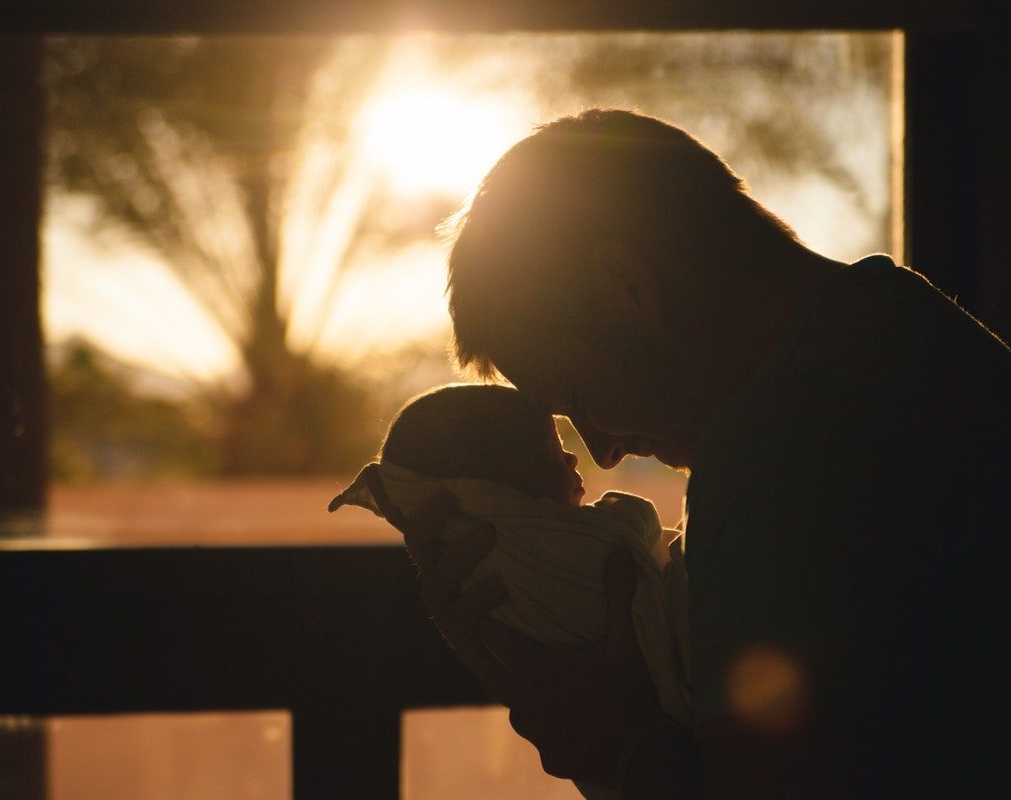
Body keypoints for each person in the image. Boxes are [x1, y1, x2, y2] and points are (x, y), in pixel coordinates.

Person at [379, 109, 1011, 798]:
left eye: (576, 398)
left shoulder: (776, 451)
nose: (602, 452)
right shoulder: (919, 337)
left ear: (627, 285)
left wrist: (605, 738)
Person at [329, 384, 691, 800]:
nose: (586, 453)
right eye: (546, 449)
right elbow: (635, 537)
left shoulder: (485, 572)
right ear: (492, 495)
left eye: (580, 392)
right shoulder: (541, 552)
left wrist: (638, 753)